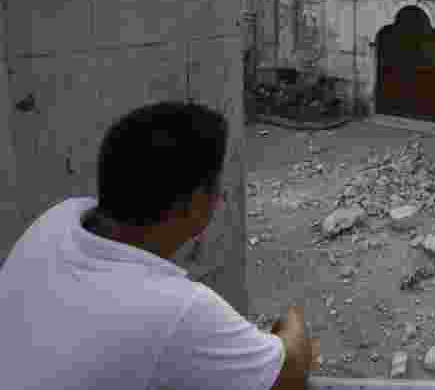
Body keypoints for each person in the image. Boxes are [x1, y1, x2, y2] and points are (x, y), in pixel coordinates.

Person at [0, 101, 316, 390]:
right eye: (217, 189)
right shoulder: (177, 310)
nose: (220, 201)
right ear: (195, 205)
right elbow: (288, 372)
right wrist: (293, 319)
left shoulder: (54, 222)